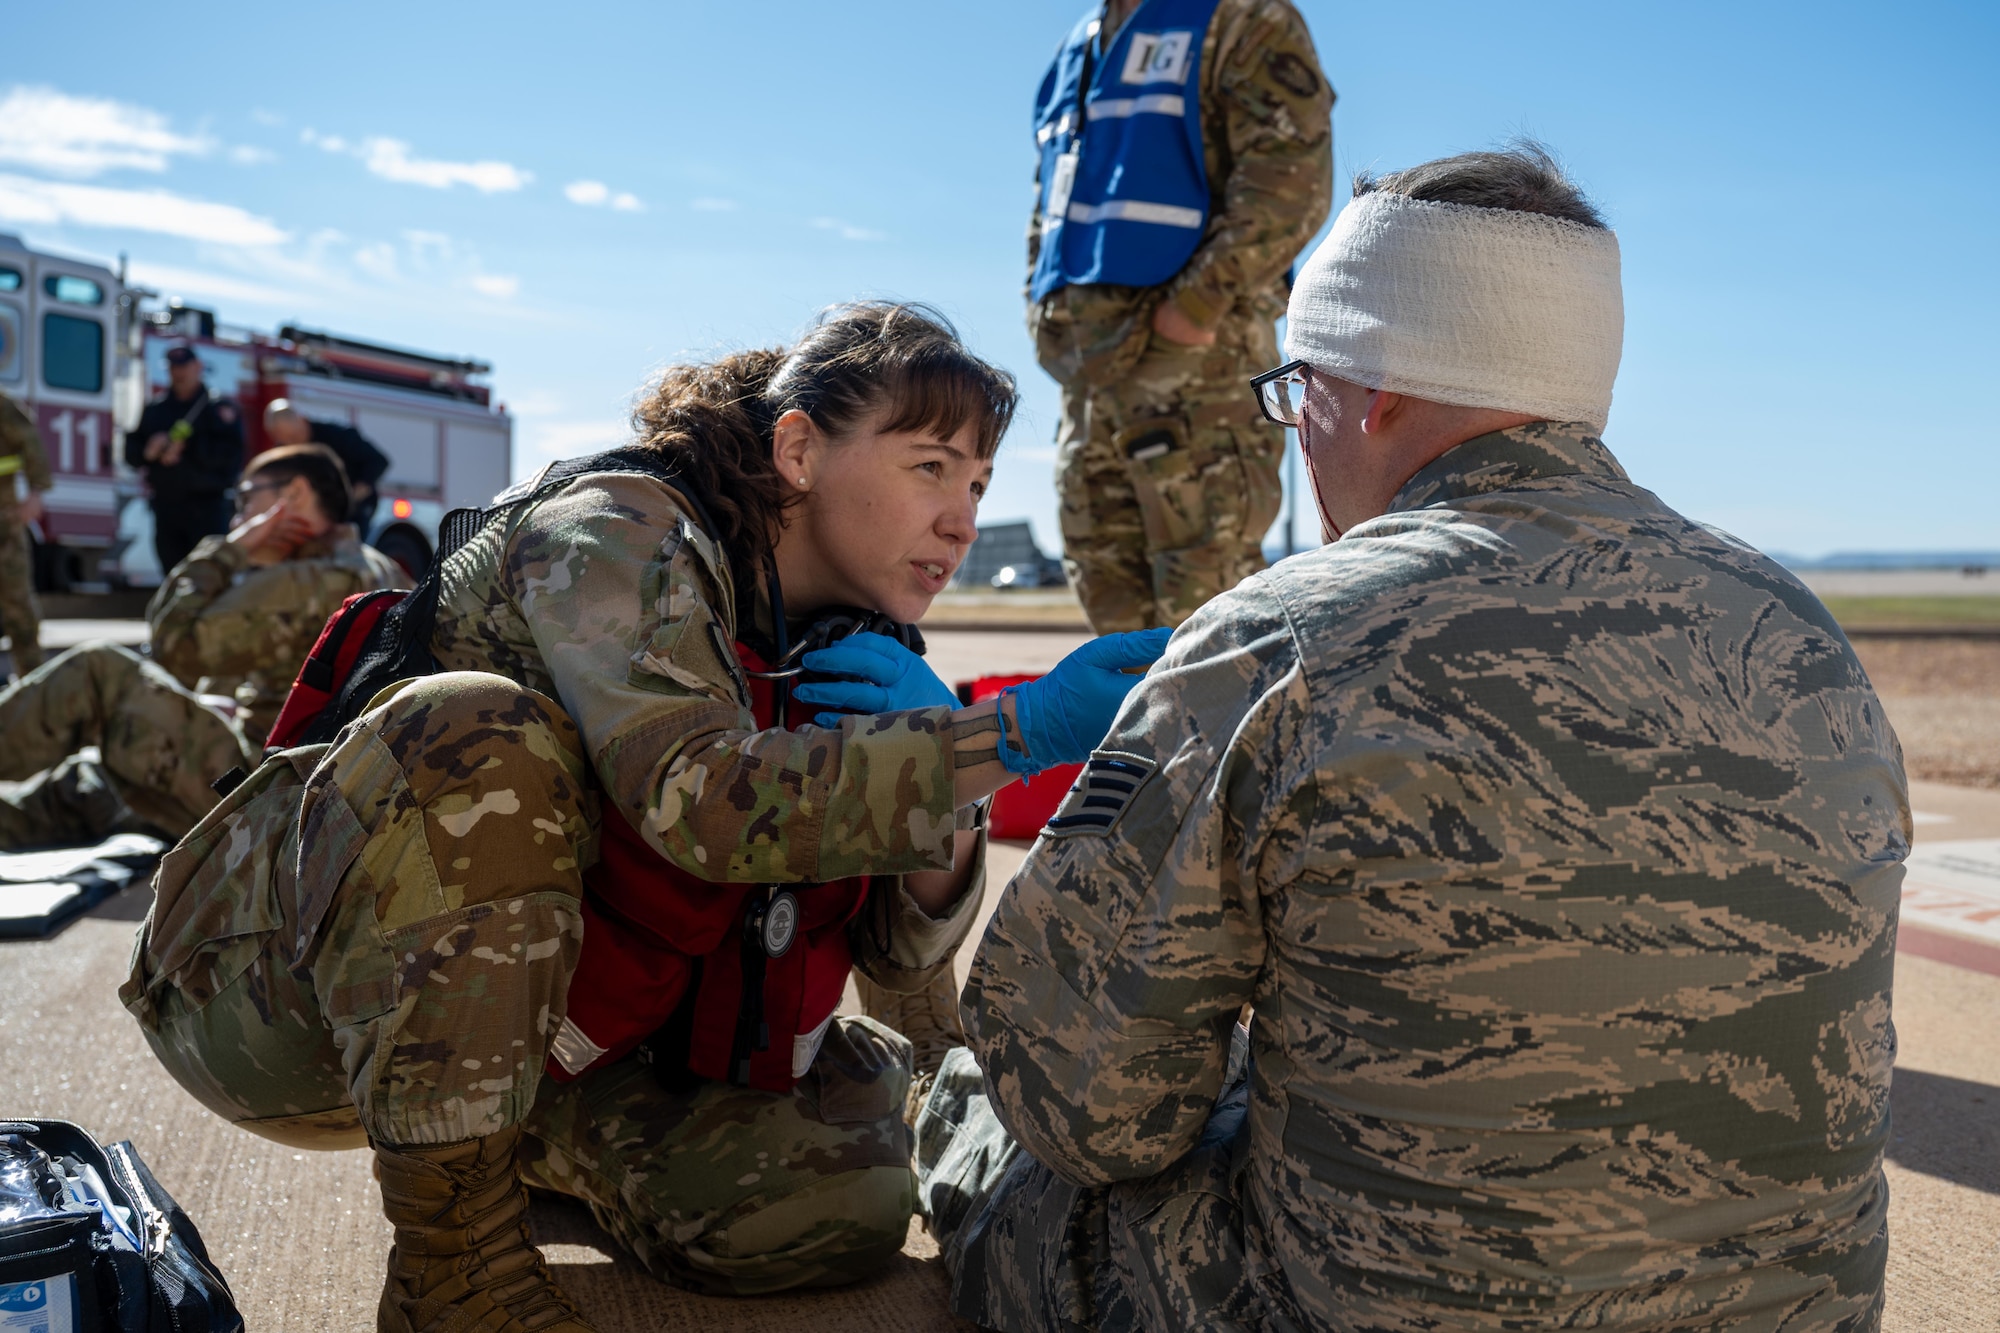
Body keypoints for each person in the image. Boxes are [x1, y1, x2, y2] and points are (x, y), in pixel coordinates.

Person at [917, 146, 1909, 1332]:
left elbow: (1080, 1101)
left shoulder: (1281, 635)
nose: (1297, 433)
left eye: (1296, 391)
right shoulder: (1800, 635)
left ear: (1369, 394)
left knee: (991, 1115)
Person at [120, 302, 1168, 1333]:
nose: (961, 519)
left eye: (978, 483)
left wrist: (948, 781)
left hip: (547, 1034)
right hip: (263, 988)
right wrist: (1010, 732)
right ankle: (454, 1273)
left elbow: (897, 968)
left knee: (831, 1203)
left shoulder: (832, 630)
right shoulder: (615, 528)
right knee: (480, 737)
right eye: (930, 466)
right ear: (798, 449)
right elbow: (702, 803)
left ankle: (523, 1140)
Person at [1031, 0, 1333, 633]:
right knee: (1110, 616)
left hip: (1194, 375)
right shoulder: (1081, 47)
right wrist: (1041, 306)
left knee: (1208, 615)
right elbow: (1053, 199)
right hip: (1087, 378)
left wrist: (1194, 310)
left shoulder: (1239, 19)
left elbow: (1289, 182)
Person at [0, 443, 410, 849]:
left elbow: (171, 640)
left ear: (293, 495)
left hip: (264, 798)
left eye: (246, 498)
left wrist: (230, 548)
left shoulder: (310, 580)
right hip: (299, 792)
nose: (238, 517)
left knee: (100, 673)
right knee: (88, 781)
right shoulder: (374, 566)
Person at [124, 345, 245, 573]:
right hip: (167, 506)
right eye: (173, 368)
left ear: (198, 367)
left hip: (207, 506)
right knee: (172, 572)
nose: (178, 373)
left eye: (184, 367)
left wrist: (188, 448)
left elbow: (232, 457)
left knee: (210, 572)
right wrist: (149, 451)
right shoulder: (156, 408)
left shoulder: (218, 407)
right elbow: (131, 453)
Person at [263, 399, 391, 533]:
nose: (292, 444)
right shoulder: (284, 451)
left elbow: (378, 461)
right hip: (317, 512)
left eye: (294, 436)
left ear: (302, 420)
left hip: (353, 510)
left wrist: (353, 495)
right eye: (285, 440)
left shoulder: (338, 436)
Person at [0, 388, 51, 676]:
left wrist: (36, 492)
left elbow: (33, 445)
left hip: (3, 522)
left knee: (16, 602)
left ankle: (32, 681)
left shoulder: (3, 407)